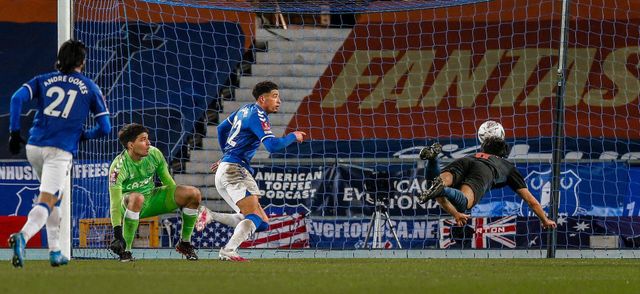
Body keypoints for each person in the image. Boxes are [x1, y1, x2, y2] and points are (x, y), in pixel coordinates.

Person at [8, 39, 112, 268]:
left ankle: (55, 251)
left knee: (56, 197)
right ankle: (22, 237)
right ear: (82, 61)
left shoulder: (43, 80)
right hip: (59, 151)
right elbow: (106, 128)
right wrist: (84, 135)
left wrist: (14, 133)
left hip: (34, 147)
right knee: (47, 200)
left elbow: (16, 98)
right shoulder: (89, 87)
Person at [199, 81, 305, 261]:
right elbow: (272, 146)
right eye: (275, 96)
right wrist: (293, 136)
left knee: (262, 223)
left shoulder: (244, 109)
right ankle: (228, 250)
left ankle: (210, 215)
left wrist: (227, 155)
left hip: (227, 169)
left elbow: (221, 128)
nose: (278, 100)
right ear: (262, 99)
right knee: (252, 216)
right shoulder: (259, 115)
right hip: (235, 171)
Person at [108, 123, 202, 261]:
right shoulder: (118, 167)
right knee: (137, 197)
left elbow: (169, 184)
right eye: (143, 139)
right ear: (131, 145)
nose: (148, 143)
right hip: (128, 205)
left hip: (152, 199)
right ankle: (126, 251)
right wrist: (117, 234)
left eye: (147, 138)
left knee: (193, 193)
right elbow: (115, 203)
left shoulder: (154, 153)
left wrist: (180, 204)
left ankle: (185, 243)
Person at [418, 137, 557, 229]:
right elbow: (531, 201)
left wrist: (456, 214)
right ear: (504, 154)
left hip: (465, 161)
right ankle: (438, 176)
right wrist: (545, 220)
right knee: (464, 201)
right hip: (485, 170)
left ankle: (433, 159)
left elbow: (437, 193)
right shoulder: (507, 166)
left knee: (435, 183)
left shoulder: (474, 155)